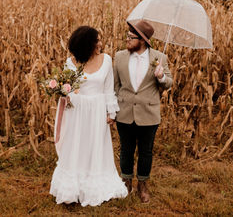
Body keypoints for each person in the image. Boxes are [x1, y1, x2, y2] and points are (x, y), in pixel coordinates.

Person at [50, 26, 128, 206]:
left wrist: (112, 112)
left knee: (95, 146)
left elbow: (109, 89)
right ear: (87, 44)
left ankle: (94, 187)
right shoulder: (71, 63)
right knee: (76, 145)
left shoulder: (107, 60)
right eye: (97, 41)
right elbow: (67, 88)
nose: (100, 44)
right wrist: (64, 93)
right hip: (77, 111)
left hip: (98, 111)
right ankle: (71, 189)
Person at [113, 20, 173, 203]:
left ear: (143, 40)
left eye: (131, 37)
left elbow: (169, 82)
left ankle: (143, 185)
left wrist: (161, 76)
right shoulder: (119, 56)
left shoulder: (159, 58)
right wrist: (113, 109)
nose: (127, 39)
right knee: (126, 149)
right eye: (127, 36)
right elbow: (115, 86)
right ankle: (126, 182)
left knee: (146, 151)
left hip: (149, 113)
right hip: (125, 111)